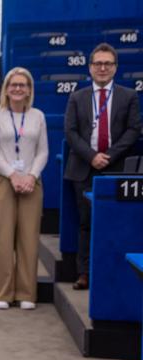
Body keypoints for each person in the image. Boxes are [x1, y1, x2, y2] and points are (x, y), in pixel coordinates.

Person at [64, 43, 141, 290]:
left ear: (115, 67)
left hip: (116, 167)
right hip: (83, 168)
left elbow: (134, 130)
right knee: (86, 222)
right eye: (98, 63)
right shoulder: (77, 97)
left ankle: (112, 273)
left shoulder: (129, 96)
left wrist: (108, 155)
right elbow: (70, 132)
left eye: (108, 63)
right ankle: (84, 273)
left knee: (116, 224)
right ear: (90, 67)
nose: (102, 68)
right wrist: (91, 156)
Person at [0, 67, 48, 310]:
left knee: (28, 239)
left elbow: (43, 151)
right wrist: (12, 175)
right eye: (14, 84)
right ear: (6, 89)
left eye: (23, 85)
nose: (18, 88)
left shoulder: (37, 116)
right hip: (2, 180)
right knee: (1, 239)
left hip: (31, 182)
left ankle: (26, 293)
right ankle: (3, 292)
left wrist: (31, 175)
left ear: (29, 89)